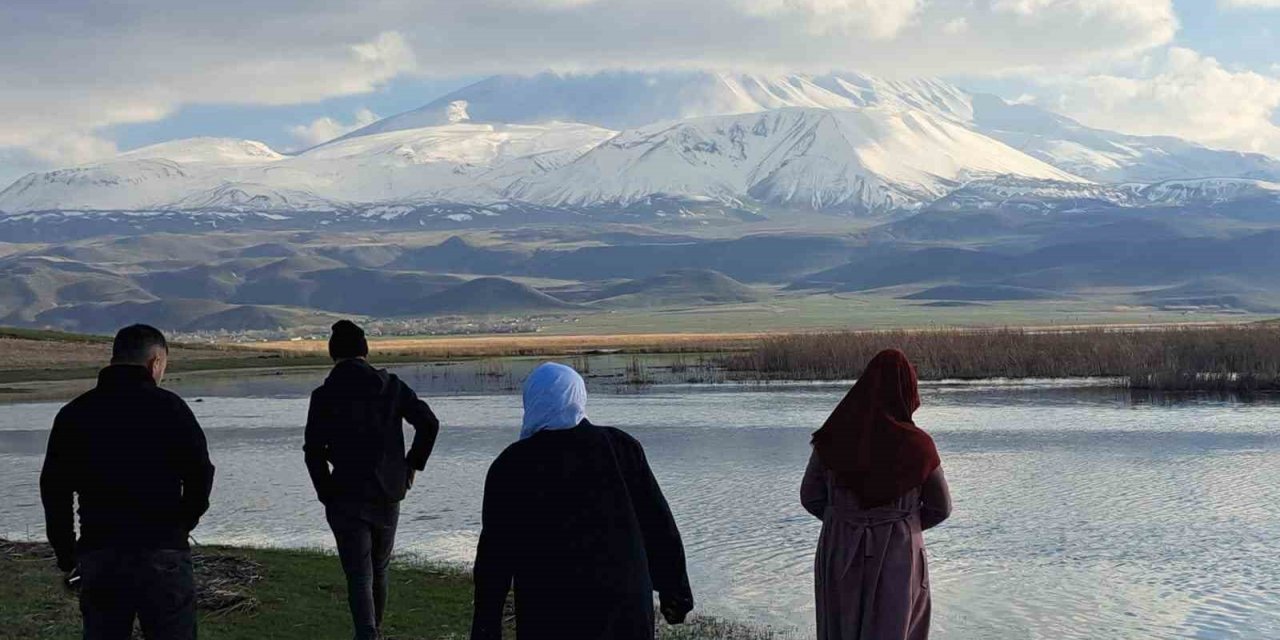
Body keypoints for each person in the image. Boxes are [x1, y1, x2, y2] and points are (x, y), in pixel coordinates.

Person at [470, 363, 694, 640]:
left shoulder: (511, 465)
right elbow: (658, 525)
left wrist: (485, 626)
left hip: (553, 611)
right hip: (625, 607)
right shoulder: (621, 447)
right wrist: (676, 592)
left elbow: (495, 557)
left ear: (532, 402)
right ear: (578, 396)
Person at [40, 324, 215, 640]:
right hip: (163, 551)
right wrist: (180, 526)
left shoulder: (75, 413)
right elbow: (201, 475)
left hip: (100, 551)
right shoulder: (171, 408)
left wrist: (67, 554)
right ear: (155, 362)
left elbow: (54, 489)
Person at [304, 319, 441, 640]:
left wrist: (326, 492)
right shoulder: (391, 386)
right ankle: (374, 631)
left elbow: (313, 450)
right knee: (379, 568)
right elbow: (429, 424)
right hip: (388, 492)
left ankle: (367, 635)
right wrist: (410, 467)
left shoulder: (324, 395)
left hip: (345, 494)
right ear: (365, 351)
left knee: (358, 575)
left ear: (332, 354)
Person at [801, 349, 952, 640]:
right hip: (898, 549)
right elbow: (941, 507)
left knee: (840, 627)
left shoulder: (831, 438)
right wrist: (905, 524)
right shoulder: (919, 446)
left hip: (840, 546)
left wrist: (845, 520)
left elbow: (810, 496)